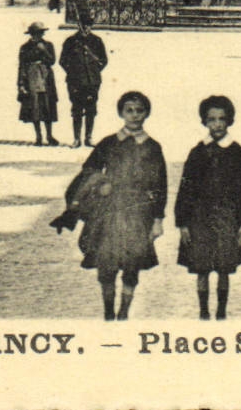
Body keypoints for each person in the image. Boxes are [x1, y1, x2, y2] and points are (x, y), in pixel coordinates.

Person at [76, 91, 167, 321]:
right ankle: (108, 311)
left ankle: (124, 311)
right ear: (121, 113)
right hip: (109, 212)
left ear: (146, 113)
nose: (134, 115)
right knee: (106, 263)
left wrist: (158, 220)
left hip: (138, 213)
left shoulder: (153, 147)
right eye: (129, 110)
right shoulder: (109, 143)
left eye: (139, 111)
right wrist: (101, 185)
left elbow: (160, 185)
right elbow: (88, 170)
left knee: (131, 264)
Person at [175, 95, 241, 321]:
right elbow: (185, 189)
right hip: (199, 218)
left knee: (223, 267)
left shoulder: (238, 153)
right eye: (212, 119)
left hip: (227, 218)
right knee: (201, 267)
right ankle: (203, 311)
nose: (217, 124)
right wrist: (182, 223)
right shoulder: (197, 152)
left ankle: (221, 311)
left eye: (222, 119)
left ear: (229, 120)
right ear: (204, 121)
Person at [60, 19, 110, 148]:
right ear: (78, 25)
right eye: (83, 25)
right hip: (75, 81)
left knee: (91, 109)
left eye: (88, 25)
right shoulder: (71, 41)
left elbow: (104, 60)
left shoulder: (96, 41)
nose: (85, 28)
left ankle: (88, 137)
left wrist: (94, 71)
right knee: (76, 109)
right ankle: (76, 139)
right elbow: (62, 61)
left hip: (92, 81)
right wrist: (73, 72)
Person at [17, 22, 60, 146]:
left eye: (41, 33)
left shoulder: (48, 45)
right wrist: (21, 83)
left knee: (48, 106)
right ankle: (38, 136)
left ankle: (49, 135)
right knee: (35, 107)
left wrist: (44, 51)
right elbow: (22, 66)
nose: (39, 36)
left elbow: (52, 61)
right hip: (31, 77)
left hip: (46, 78)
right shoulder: (25, 47)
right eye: (36, 33)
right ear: (31, 34)